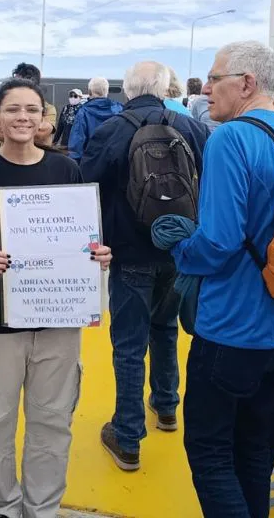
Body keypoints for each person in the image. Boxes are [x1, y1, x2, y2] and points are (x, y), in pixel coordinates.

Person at [163, 41, 274, 517]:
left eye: (216, 78)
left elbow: (218, 241)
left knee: (211, 455)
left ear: (247, 83)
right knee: (253, 457)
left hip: (235, 322)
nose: (207, 87)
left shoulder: (230, 138)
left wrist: (179, 248)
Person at [0, 77, 112, 518]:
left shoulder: (66, 170)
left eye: (32, 109)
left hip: (58, 322)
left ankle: (41, 510)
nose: (23, 117)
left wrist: (98, 254)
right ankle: (2, 508)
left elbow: (84, 241)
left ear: (45, 118)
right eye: (13, 110)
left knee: (51, 423)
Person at [81, 61, 208, 472]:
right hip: (177, 252)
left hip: (129, 253)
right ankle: (167, 405)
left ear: (128, 90)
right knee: (165, 328)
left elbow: (86, 185)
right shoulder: (189, 127)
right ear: (166, 87)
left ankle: (128, 434)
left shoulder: (114, 130)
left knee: (129, 345)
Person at [67, 76, 123, 161]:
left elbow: (76, 145)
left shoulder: (83, 112)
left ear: (90, 92)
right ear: (107, 91)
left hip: (90, 164)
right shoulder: (119, 109)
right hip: (115, 163)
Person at [3, 62, 55, 145]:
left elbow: (42, 133)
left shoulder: (48, 108)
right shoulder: (6, 106)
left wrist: (11, 129)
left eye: (17, 83)